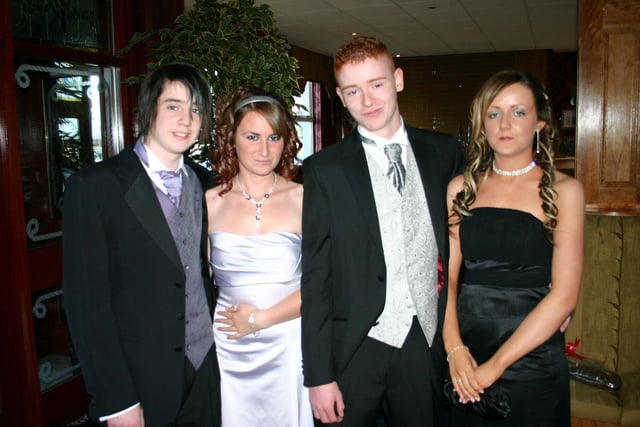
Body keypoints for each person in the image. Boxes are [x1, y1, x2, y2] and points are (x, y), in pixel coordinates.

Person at [300, 36, 466, 426]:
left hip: (425, 341)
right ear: (340, 97)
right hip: (356, 346)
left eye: (377, 84)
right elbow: (316, 277)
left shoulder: (444, 152)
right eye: (354, 91)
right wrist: (319, 376)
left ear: (398, 80)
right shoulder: (323, 170)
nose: (368, 100)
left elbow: (470, 242)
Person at [63, 62, 220, 426]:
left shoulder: (206, 182)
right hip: (139, 381)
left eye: (196, 109)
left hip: (207, 370)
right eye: (173, 106)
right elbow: (88, 309)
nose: (186, 119)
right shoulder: (96, 187)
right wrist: (117, 401)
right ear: (149, 108)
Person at [443, 69, 584, 426]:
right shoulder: (460, 189)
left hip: (531, 358)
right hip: (466, 354)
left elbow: (564, 296)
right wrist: (454, 348)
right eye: (494, 113)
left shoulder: (565, 191)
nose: (504, 123)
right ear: (482, 123)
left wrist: (496, 366)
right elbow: (447, 279)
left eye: (518, 112)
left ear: (539, 123)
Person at [206, 86, 313, 427]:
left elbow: (324, 282)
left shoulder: (304, 198)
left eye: (274, 137)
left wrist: (260, 319)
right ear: (231, 138)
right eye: (252, 136)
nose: (265, 150)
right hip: (228, 346)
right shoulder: (208, 202)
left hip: (289, 344)